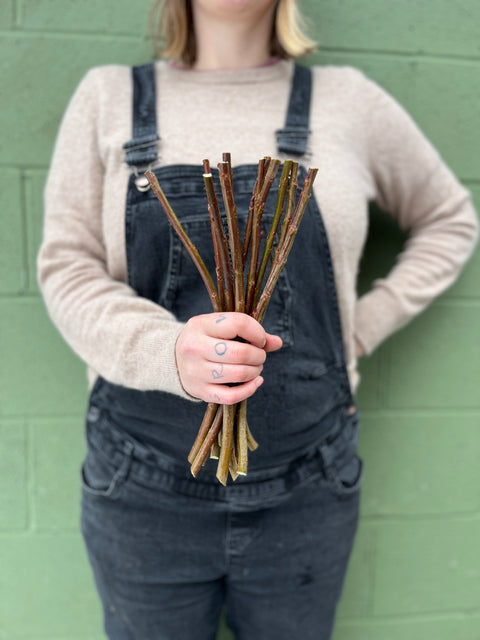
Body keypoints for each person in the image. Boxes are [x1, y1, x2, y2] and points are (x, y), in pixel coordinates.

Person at [37, 0, 478, 638]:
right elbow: (66, 268)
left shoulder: (348, 101)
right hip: (140, 490)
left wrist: (357, 329)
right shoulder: (107, 97)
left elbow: (451, 218)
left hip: (309, 488)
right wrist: (168, 353)